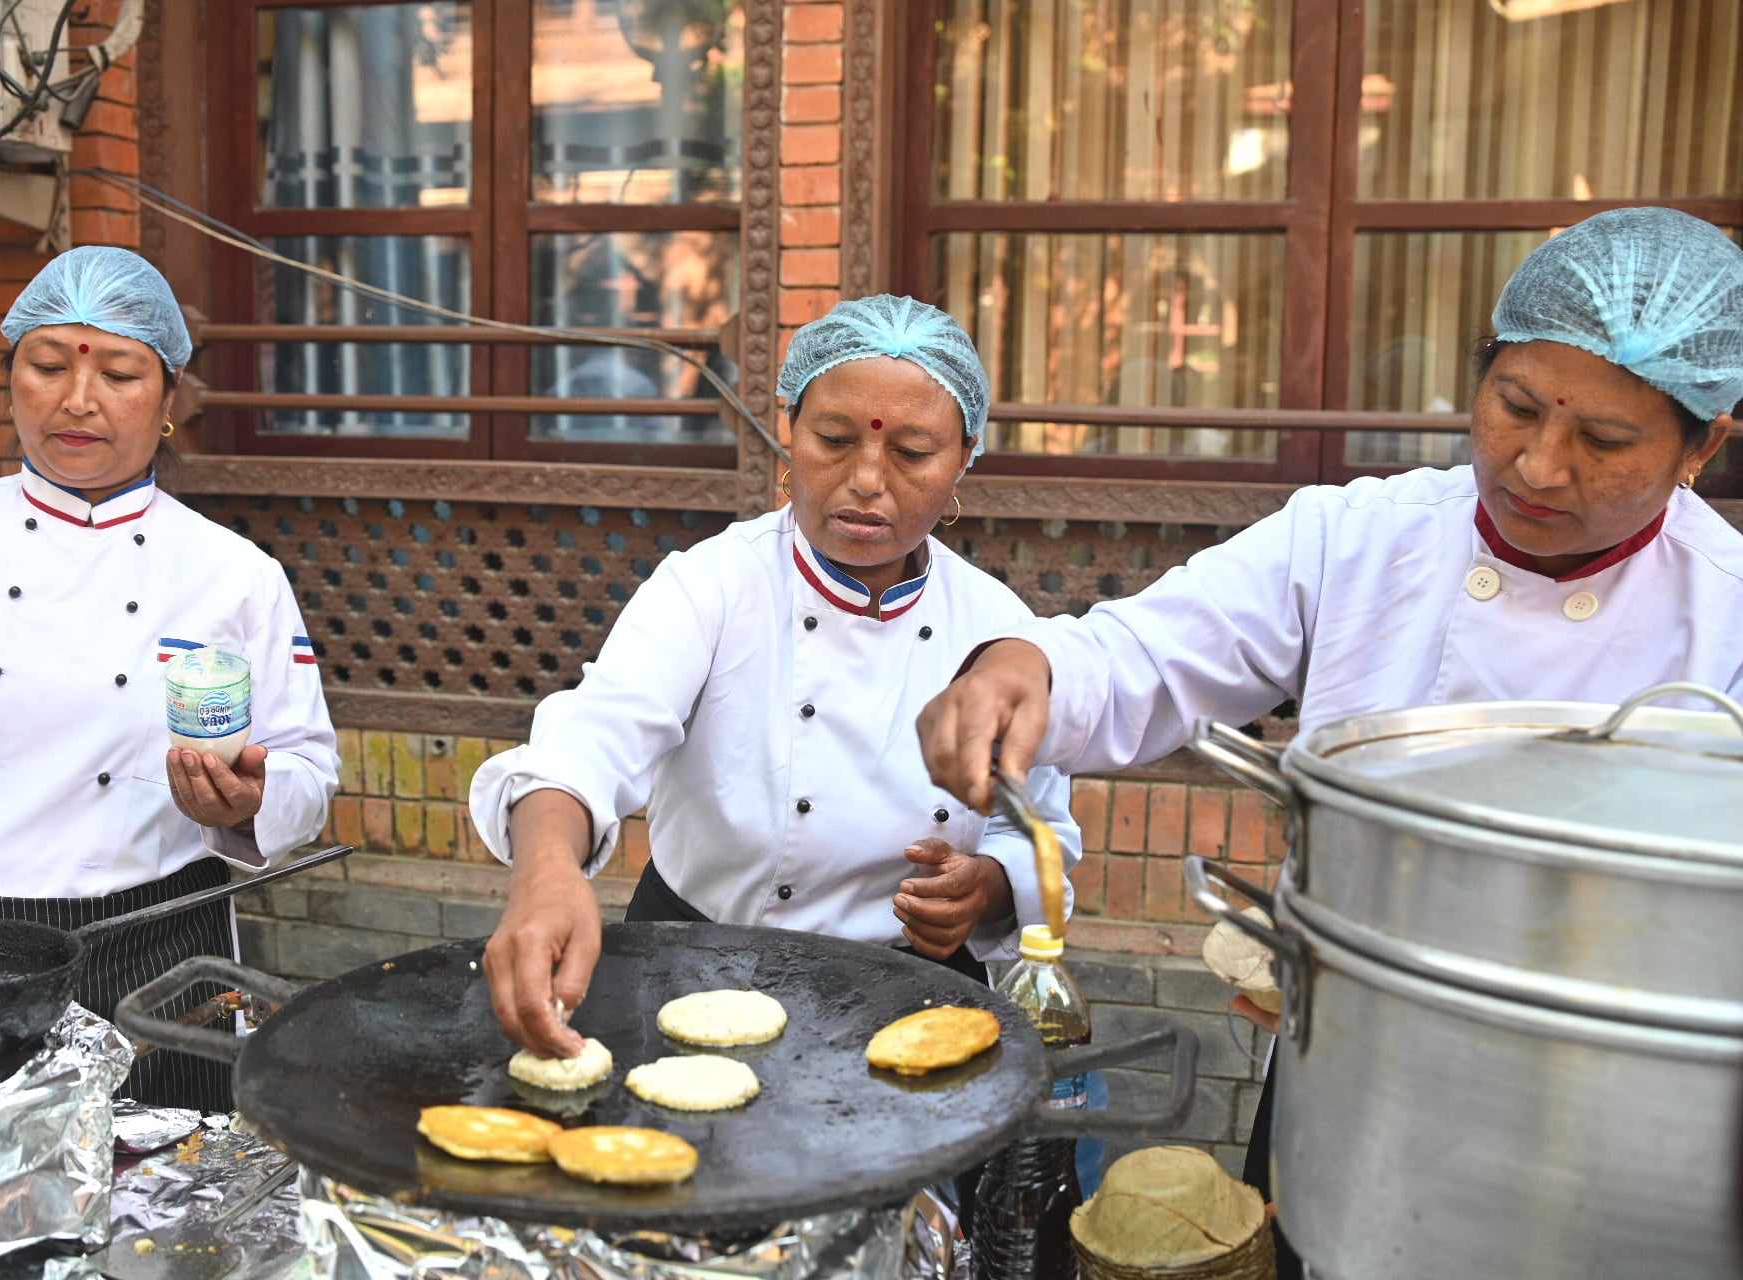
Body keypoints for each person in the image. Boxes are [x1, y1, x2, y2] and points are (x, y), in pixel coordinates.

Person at [914, 205, 1743, 1278]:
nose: (1538, 464)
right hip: (1350, 1066)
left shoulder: (1724, 611)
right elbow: (1147, 655)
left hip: (1618, 1123)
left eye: (1605, 439)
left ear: (1705, 444)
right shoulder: (1359, 536)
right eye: (1516, 406)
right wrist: (1021, 668)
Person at [471, 294, 1080, 1060]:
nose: (866, 478)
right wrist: (547, 869)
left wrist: (988, 885)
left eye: (912, 452)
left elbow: (1043, 830)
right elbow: (592, 739)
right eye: (832, 438)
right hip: (692, 968)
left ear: (965, 458)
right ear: (788, 430)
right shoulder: (713, 586)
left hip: (907, 1000)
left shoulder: (999, 630)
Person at [0, 246, 340, 1110]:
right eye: (48, 364)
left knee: (164, 1198)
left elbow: (307, 770)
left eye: (121, 373)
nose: (77, 401)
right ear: (11, 377)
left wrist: (247, 802)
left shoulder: (233, 573)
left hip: (151, 942)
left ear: (170, 398)